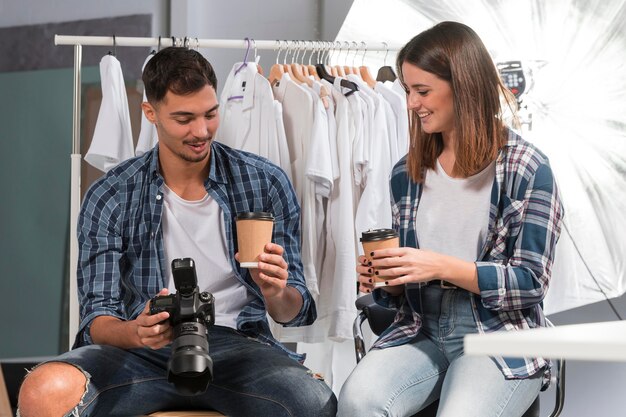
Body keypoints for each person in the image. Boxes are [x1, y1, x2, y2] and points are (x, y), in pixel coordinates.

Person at [18, 47, 337, 417]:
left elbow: (294, 313)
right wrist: (136, 331)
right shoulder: (111, 194)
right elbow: (98, 319)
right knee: (43, 392)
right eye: (184, 118)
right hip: (140, 352)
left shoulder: (264, 181)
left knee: (314, 403)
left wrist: (276, 292)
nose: (201, 131)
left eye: (210, 114)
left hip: (238, 349)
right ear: (150, 113)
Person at [337, 21, 563, 417]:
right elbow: (401, 288)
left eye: (422, 91)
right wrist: (386, 279)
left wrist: (441, 265)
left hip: (500, 333)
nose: (410, 103)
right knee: (357, 402)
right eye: (408, 90)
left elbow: (531, 283)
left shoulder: (527, 168)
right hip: (420, 324)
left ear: (464, 86)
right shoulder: (406, 174)